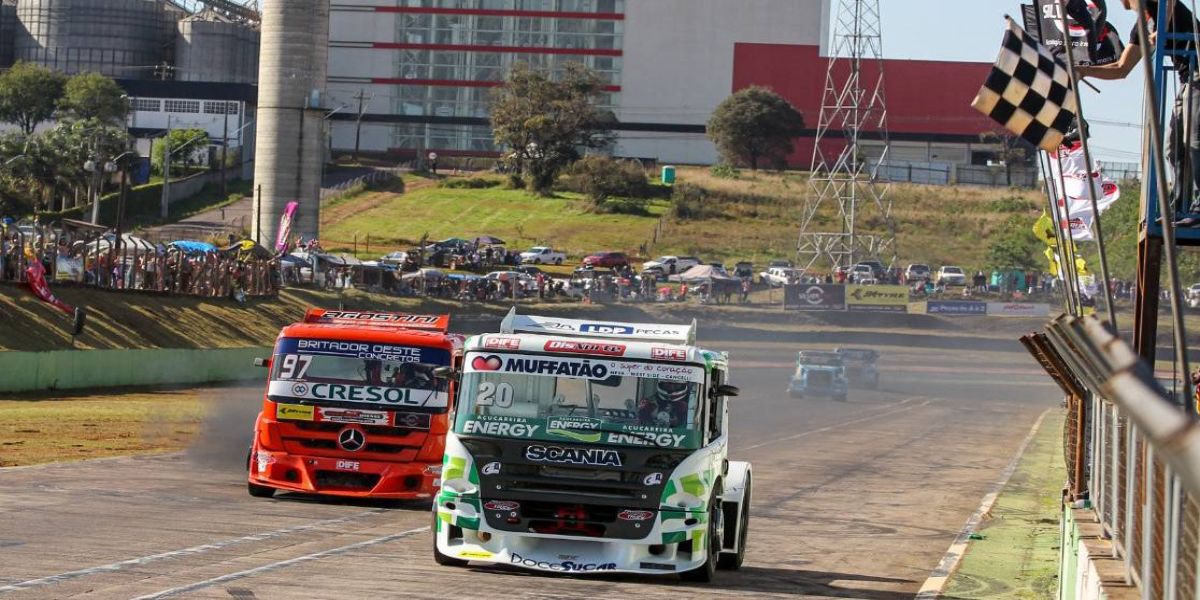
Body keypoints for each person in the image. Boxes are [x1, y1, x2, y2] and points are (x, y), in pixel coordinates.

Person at [1079, 0, 1200, 226]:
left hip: (1198, 76)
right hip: (1188, 80)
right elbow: (1121, 69)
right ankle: (1183, 207)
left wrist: (1160, 31)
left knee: (1194, 142)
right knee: (1173, 149)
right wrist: (1083, 71)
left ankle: (1198, 207)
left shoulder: (1161, 6)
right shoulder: (1141, 26)